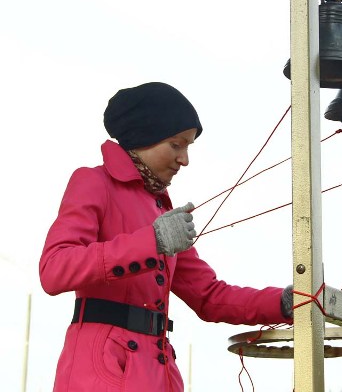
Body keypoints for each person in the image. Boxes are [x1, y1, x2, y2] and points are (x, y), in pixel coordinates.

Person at [39, 82, 293, 392]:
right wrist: (152, 241)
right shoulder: (93, 182)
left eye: (188, 147)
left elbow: (209, 296)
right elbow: (54, 269)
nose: (184, 159)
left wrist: (282, 303)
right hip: (102, 372)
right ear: (144, 136)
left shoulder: (161, 210)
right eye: (176, 145)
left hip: (157, 373)